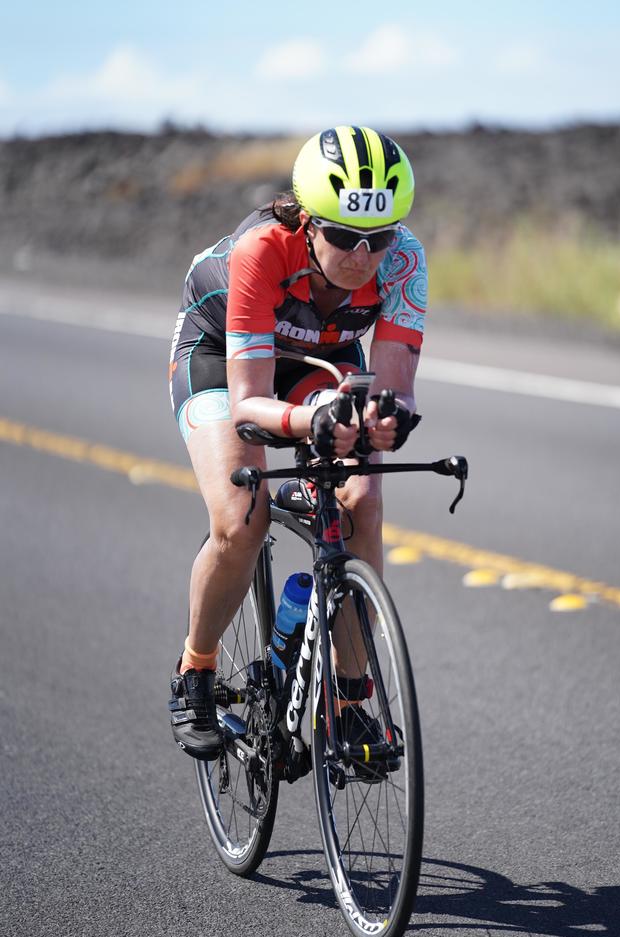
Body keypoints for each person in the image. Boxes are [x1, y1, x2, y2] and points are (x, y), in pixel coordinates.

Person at [167, 125, 426, 759]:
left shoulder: (406, 261)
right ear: (308, 220)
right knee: (242, 517)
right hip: (223, 359)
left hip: (323, 358)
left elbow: (394, 388)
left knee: (360, 501)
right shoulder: (261, 251)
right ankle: (195, 671)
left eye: (379, 237)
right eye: (343, 236)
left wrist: (389, 419)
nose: (363, 256)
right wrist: (308, 423)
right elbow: (250, 400)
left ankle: (349, 699)